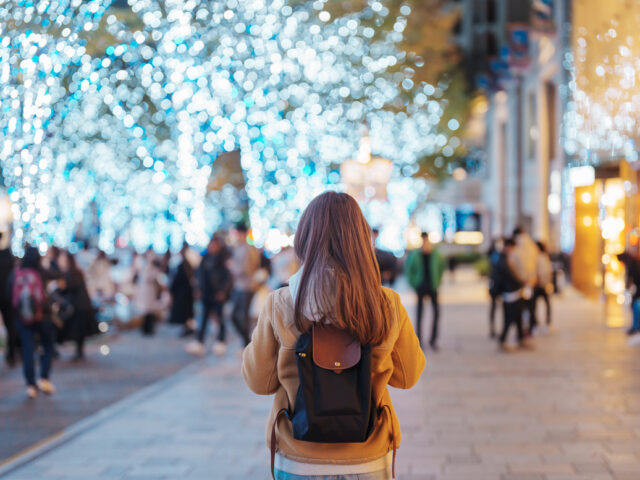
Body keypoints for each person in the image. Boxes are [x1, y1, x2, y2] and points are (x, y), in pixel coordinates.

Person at [242, 191, 425, 479]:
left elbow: (259, 381)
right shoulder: (386, 303)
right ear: (363, 239)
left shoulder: (281, 302)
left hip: (297, 456)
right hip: (369, 456)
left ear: (304, 238)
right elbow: (408, 375)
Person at [10, 247, 56, 398]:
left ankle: (30, 385)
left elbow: (8, 294)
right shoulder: (41, 273)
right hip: (43, 316)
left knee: (28, 350)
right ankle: (44, 378)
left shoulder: (17, 274)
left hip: (23, 318)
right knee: (48, 346)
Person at [186, 235, 232, 356]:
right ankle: (200, 341)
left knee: (220, 318)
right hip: (206, 293)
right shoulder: (205, 258)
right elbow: (200, 275)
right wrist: (198, 288)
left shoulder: (223, 260)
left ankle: (221, 341)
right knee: (204, 317)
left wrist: (223, 291)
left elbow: (227, 277)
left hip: (218, 294)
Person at [404, 232, 446, 350]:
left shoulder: (436, 254)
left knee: (436, 313)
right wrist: (414, 283)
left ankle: (433, 340)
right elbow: (408, 269)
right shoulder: (416, 254)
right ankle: (419, 340)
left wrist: (438, 281)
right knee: (419, 314)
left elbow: (442, 267)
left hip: (433, 286)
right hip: (421, 287)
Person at [57, 250, 99, 360]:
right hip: (82, 305)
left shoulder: (70, 273)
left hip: (78, 306)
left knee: (78, 330)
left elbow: (67, 288)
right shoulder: (76, 272)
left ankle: (79, 352)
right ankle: (79, 351)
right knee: (79, 331)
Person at [493, 238, 532, 352]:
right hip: (510, 294)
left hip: (513, 292)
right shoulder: (502, 260)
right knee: (509, 318)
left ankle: (520, 339)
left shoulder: (503, 258)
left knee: (518, 317)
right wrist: (522, 281)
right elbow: (509, 276)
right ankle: (503, 341)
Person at [228, 223, 261, 346]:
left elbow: (248, 269)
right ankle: (246, 342)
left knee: (243, 317)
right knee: (235, 316)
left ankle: (247, 345)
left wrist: (232, 267)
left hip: (247, 286)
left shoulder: (249, 249)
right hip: (239, 286)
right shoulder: (238, 247)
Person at [511, 227, 539, 335]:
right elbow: (536, 262)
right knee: (531, 305)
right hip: (531, 280)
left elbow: (513, 264)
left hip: (520, 281)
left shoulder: (516, 246)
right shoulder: (532, 245)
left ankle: (521, 332)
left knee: (520, 307)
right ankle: (531, 328)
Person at [168, 243, 195, 336]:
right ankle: (187, 327)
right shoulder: (185, 264)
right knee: (186, 313)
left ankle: (188, 328)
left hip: (184, 293)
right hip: (185, 293)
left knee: (185, 312)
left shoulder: (185, 264)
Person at [134, 249, 161, 336]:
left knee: (149, 311)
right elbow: (148, 278)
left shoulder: (148, 265)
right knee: (147, 311)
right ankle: (146, 329)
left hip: (149, 291)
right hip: (147, 292)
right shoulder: (147, 266)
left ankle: (148, 328)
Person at [0, 242, 18, 366]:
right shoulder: (9, 257)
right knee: (11, 326)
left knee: (10, 326)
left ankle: (11, 353)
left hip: (6, 297)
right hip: (8, 297)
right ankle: (11, 353)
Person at [533, 241, 553, 330]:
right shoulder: (545, 257)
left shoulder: (539, 257)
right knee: (547, 304)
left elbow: (543, 271)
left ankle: (536, 323)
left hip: (539, 284)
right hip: (543, 284)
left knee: (534, 305)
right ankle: (546, 322)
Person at [487, 238, 504, 338]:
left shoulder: (502, 255)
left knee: (503, 309)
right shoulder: (492, 254)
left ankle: (501, 329)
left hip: (501, 285)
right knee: (493, 308)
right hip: (494, 284)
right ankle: (492, 328)